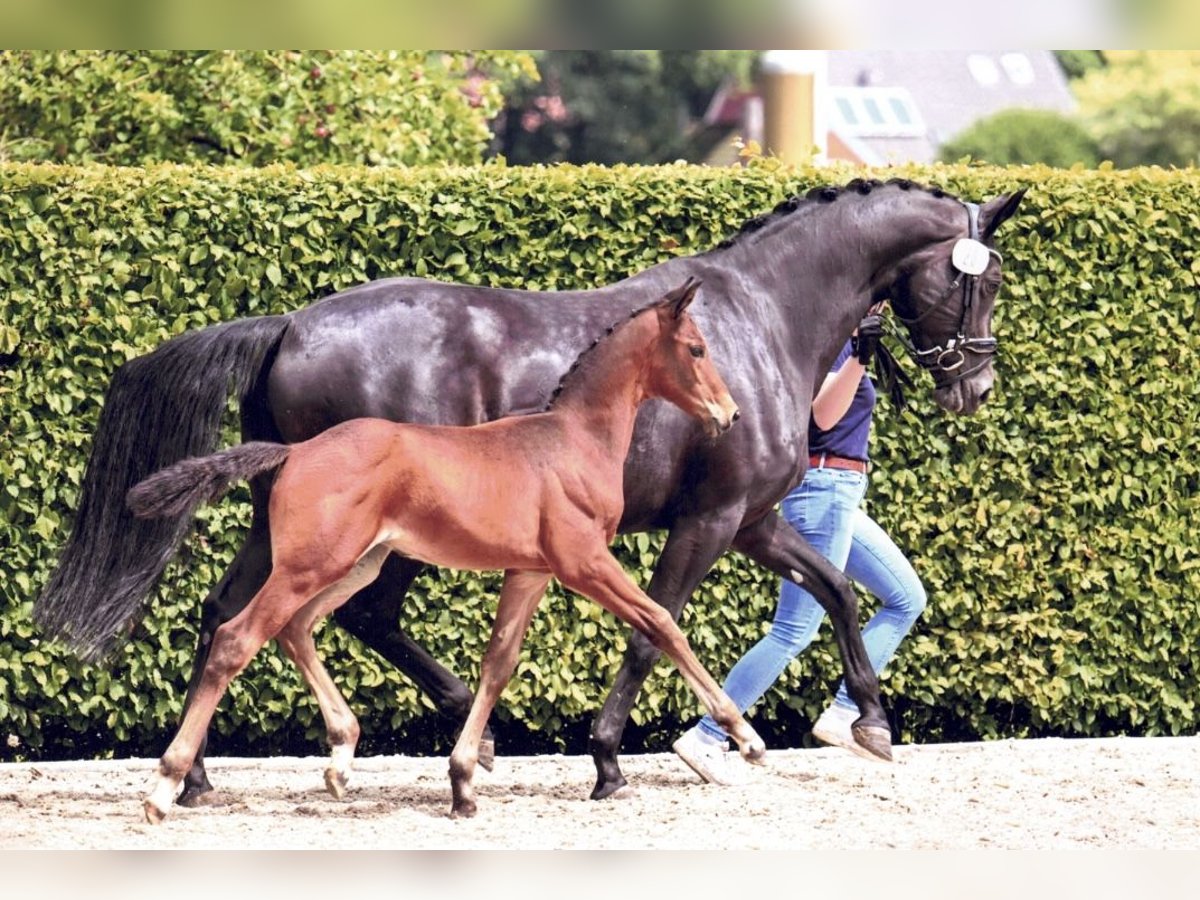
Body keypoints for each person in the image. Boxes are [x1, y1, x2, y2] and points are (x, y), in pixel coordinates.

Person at [672, 309, 927, 785]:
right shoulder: (832, 344)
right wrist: (860, 359)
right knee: (794, 629)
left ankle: (847, 707)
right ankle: (709, 734)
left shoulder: (850, 342)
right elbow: (823, 414)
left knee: (906, 598)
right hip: (823, 488)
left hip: (842, 495)